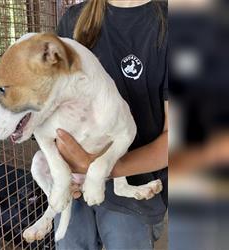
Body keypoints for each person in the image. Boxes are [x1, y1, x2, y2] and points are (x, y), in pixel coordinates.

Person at [54, 0, 168, 249]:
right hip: (73, 184)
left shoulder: (169, 24)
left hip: (133, 184)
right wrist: (64, 168)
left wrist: (96, 167)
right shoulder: (73, 19)